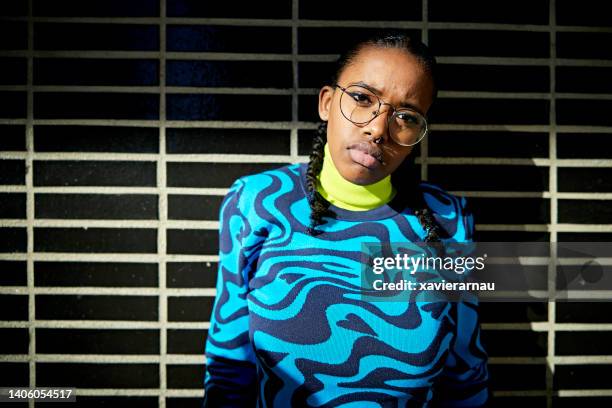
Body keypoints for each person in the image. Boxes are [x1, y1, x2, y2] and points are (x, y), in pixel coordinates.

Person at [202, 31, 490, 407]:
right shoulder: (257, 201)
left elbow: (466, 375)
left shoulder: (448, 219)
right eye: (362, 98)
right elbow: (228, 364)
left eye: (405, 116)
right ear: (326, 102)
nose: (377, 128)